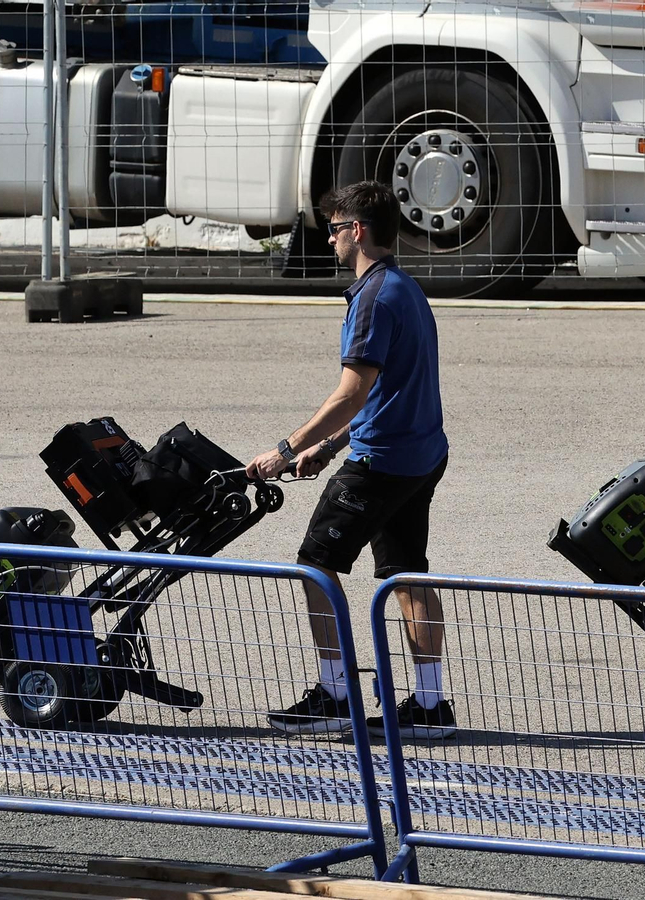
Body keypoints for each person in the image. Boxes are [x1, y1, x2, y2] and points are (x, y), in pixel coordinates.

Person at [246, 181, 456, 738]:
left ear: (357, 231)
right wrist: (328, 446)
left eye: (335, 230)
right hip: (420, 456)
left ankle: (336, 694)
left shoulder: (372, 297)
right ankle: (430, 707)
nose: (332, 241)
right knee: (406, 576)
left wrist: (286, 448)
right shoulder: (407, 289)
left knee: (316, 564)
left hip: (383, 463)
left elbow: (352, 393)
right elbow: (390, 392)